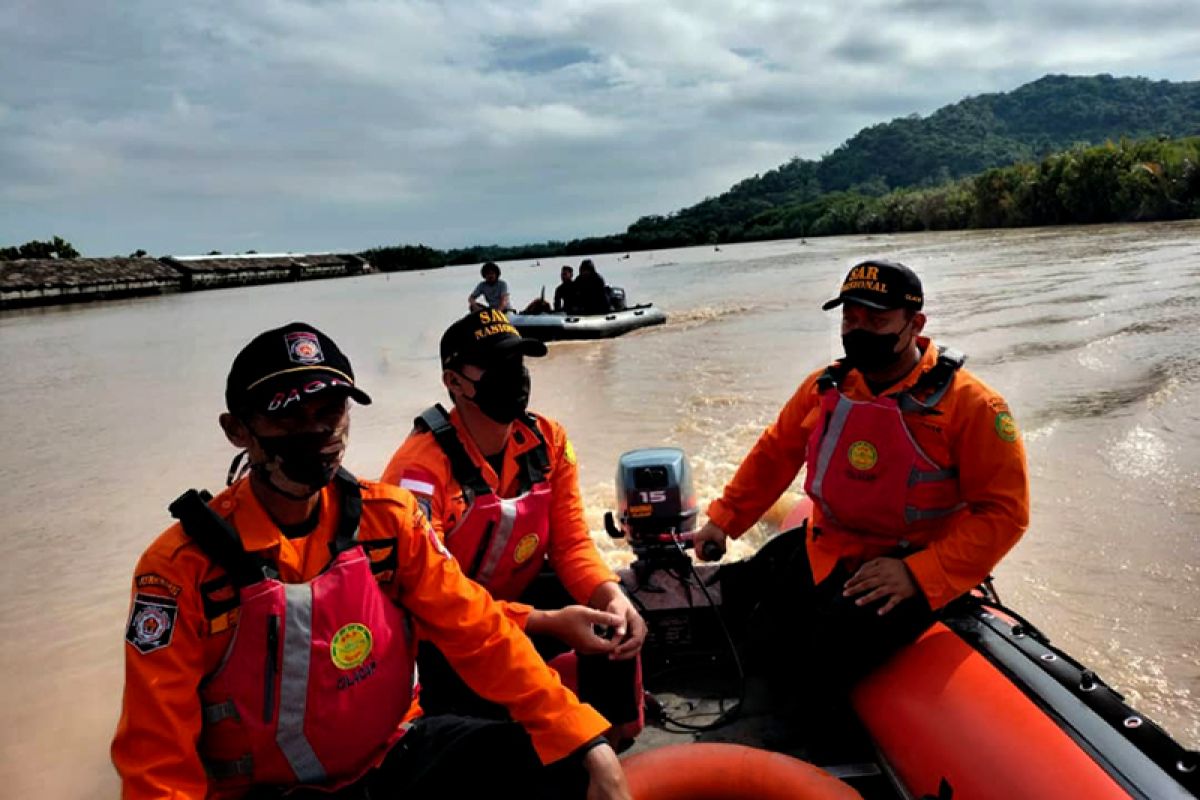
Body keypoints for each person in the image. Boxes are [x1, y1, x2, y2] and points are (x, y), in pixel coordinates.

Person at [111, 322, 630, 800]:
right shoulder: (181, 571)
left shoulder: (388, 521)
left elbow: (481, 631)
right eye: (289, 414)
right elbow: (157, 756)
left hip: (396, 754)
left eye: (329, 411)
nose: (316, 431)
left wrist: (584, 738)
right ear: (238, 430)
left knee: (565, 763)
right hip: (271, 790)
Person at [694, 259, 1029, 727]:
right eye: (851, 318)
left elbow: (1004, 513)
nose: (859, 330)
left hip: (907, 563)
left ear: (916, 324)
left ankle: (796, 744)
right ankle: (749, 717)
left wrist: (919, 572)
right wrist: (724, 520)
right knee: (758, 628)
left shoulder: (973, 407)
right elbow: (775, 454)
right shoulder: (825, 387)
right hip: (828, 544)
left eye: (877, 320)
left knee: (825, 655)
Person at [381, 309, 647, 743]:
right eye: (495, 366)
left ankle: (615, 737)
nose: (514, 376)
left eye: (518, 364)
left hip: (520, 602)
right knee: (488, 739)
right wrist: (543, 622)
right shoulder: (419, 474)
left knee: (612, 615)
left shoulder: (548, 441)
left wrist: (611, 594)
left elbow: (571, 545)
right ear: (453, 382)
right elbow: (437, 604)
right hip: (449, 637)